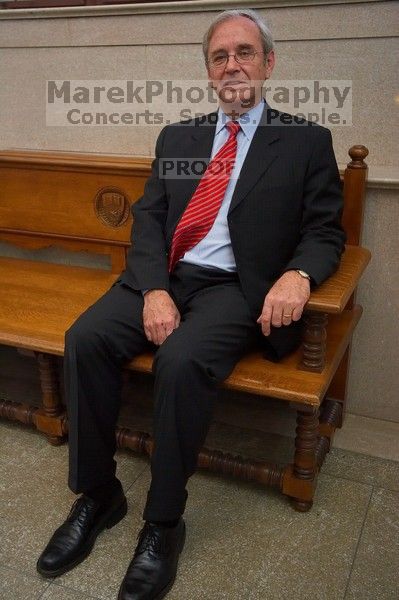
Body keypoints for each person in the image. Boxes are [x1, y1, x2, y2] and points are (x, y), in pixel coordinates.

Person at [36, 8, 345, 600]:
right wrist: (153, 288)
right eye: (219, 56)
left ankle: (163, 524)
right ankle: (99, 495)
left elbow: (326, 230)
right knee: (87, 338)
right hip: (168, 276)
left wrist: (299, 275)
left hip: (236, 289)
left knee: (180, 362)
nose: (232, 65)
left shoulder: (305, 142)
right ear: (208, 71)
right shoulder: (181, 138)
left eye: (244, 53)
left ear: (268, 63)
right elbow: (150, 217)